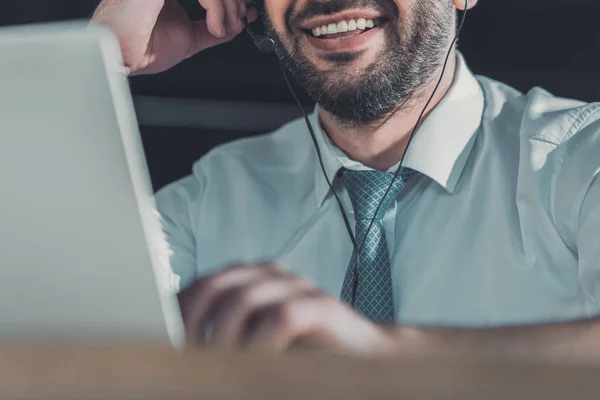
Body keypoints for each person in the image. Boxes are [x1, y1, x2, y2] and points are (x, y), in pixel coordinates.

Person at [92, 0, 600, 358]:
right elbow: (37, 327)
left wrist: (381, 355)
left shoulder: (579, 157)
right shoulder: (210, 198)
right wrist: (98, 63)